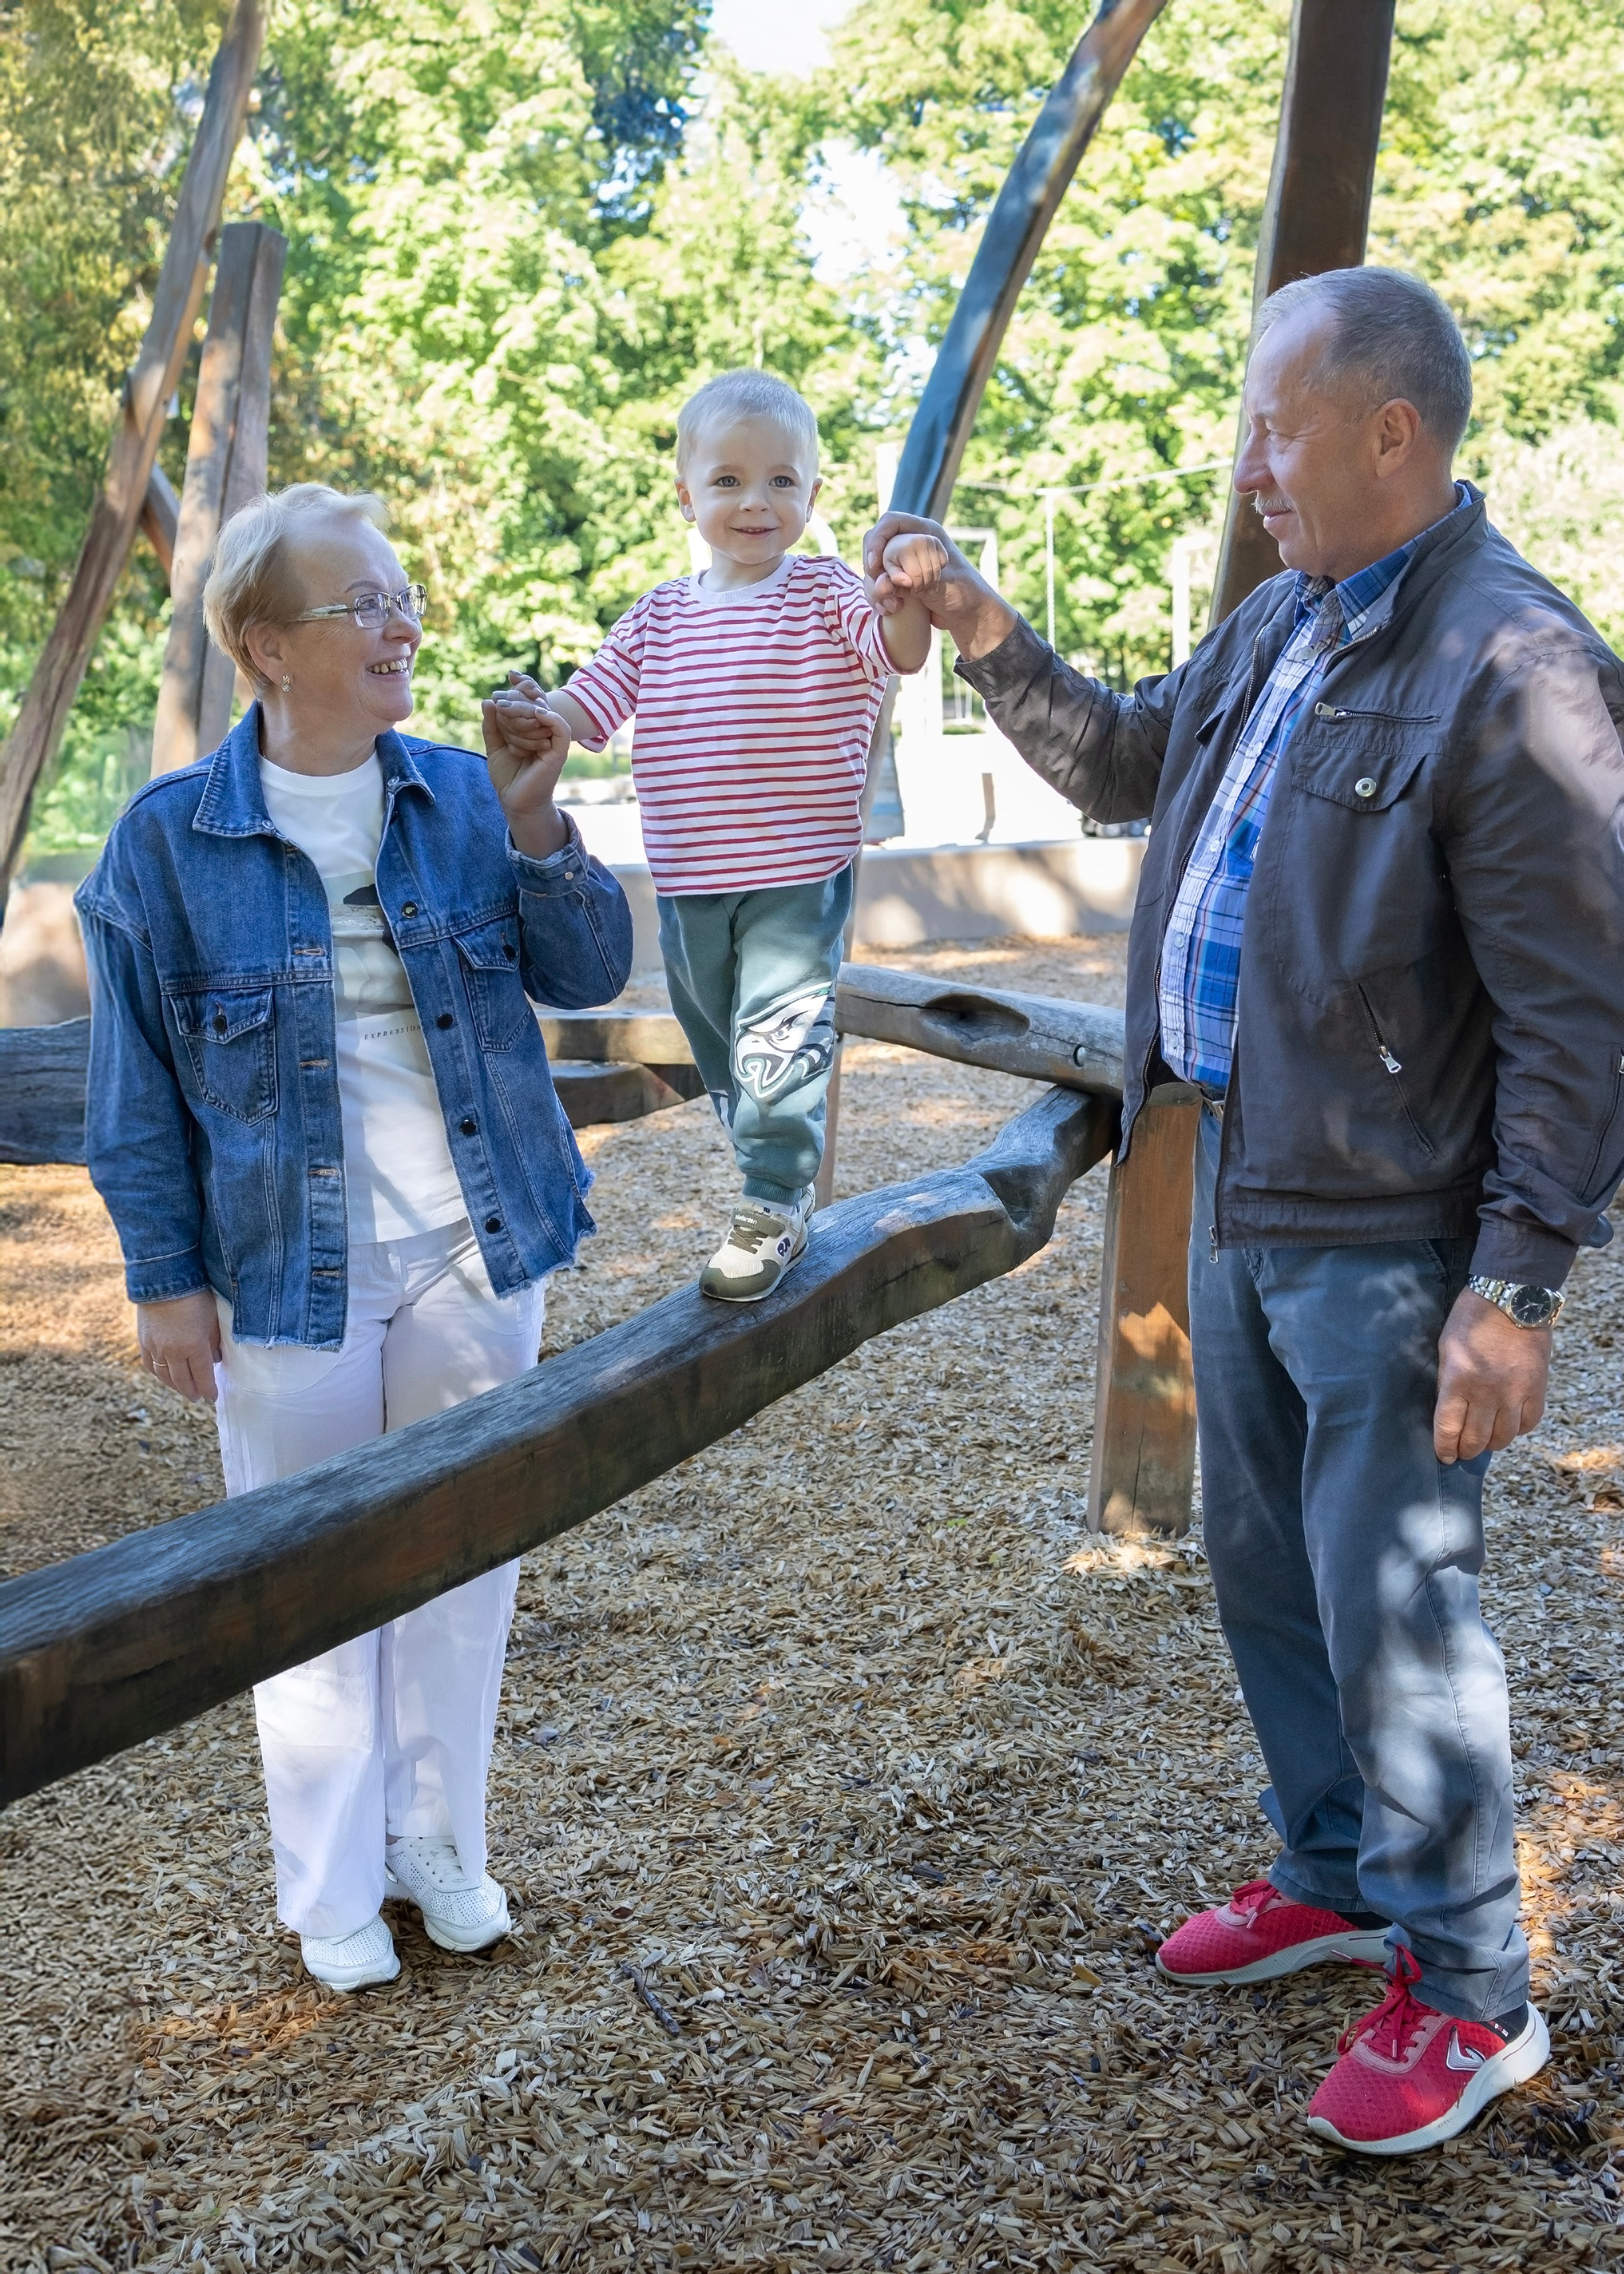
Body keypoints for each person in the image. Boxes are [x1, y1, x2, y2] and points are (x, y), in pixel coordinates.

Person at [864, 266, 1624, 2157]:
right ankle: (1342, 1872)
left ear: (1393, 431)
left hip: (1393, 1238)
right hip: (1244, 1179)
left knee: (1400, 1608)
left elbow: (1580, 1009)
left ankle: (1471, 1993)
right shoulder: (1288, 618)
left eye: (1277, 424)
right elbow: (1129, 762)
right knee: (1269, 1566)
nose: (1249, 462)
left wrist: (1517, 1283)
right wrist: (977, 622)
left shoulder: (1515, 668)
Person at [74, 483, 633, 1994]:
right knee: (306, 1580)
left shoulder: (461, 792)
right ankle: (326, 1885)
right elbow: (133, 1093)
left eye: (403, 596)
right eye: (362, 603)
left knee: (463, 1563)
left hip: (475, 1241)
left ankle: (433, 1840)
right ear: (263, 645)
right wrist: (164, 1277)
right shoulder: (165, 843)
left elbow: (587, 966)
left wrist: (534, 821)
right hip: (280, 1271)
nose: (403, 625)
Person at [492, 369, 942, 1299]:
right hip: (693, 878)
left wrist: (903, 598)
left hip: (795, 873)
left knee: (777, 1036)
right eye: (729, 480)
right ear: (686, 494)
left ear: (814, 499)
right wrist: (543, 714)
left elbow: (897, 652)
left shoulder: (824, 593)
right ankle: (767, 1158)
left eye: (782, 481)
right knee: (722, 1049)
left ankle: (775, 1196)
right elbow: (591, 703)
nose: (755, 501)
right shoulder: (661, 613)